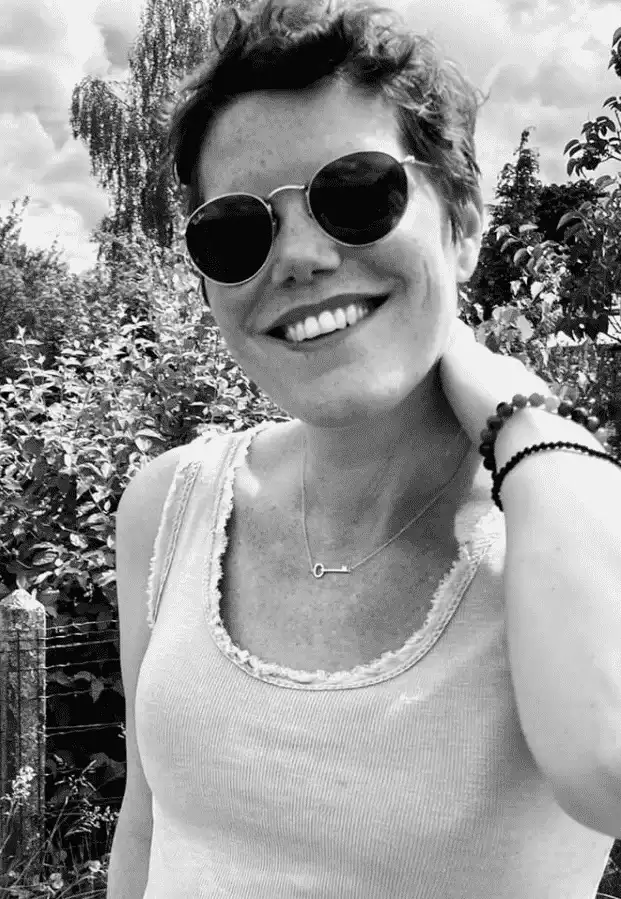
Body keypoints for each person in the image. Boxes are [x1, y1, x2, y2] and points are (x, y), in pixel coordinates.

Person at [107, 2, 621, 897]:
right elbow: (146, 823)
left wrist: (524, 419)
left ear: (463, 225)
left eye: (355, 194)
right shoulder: (170, 504)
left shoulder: (566, 522)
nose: (298, 257)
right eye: (235, 232)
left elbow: (606, 767)